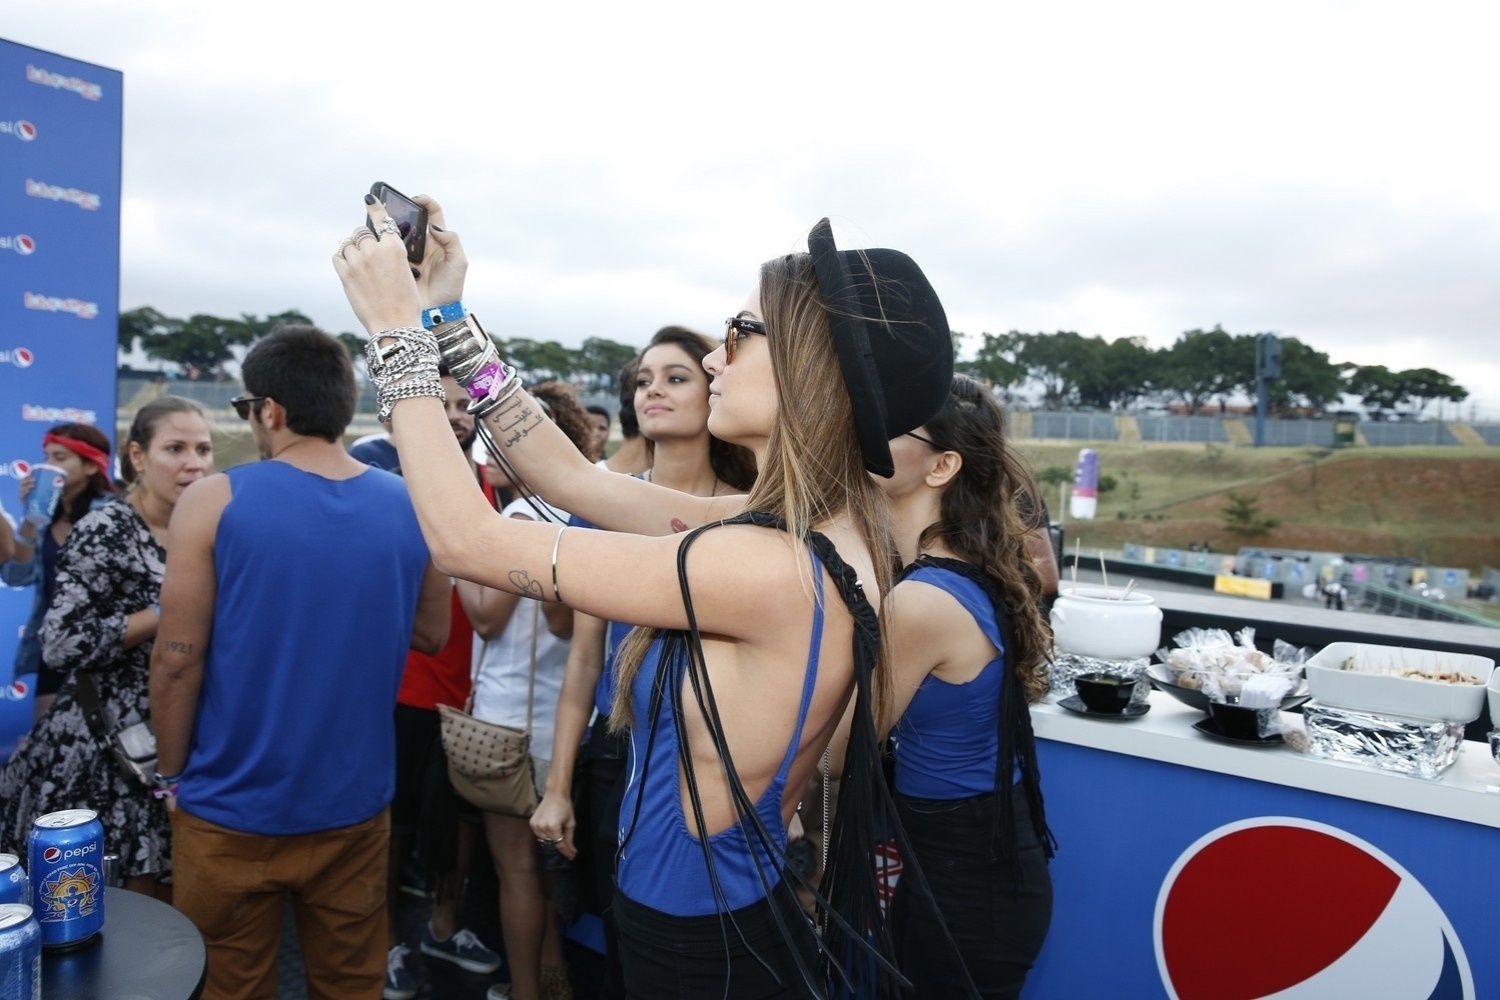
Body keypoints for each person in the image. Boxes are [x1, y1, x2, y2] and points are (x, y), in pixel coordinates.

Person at [335, 196, 953, 998]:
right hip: (725, 916)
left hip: (699, 947)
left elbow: (468, 543)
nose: (715, 360)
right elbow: (575, 480)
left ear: (812, 366)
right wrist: (448, 319)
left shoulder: (768, 566)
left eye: (739, 334)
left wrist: (394, 334)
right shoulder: (804, 531)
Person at [149, 326, 451, 1000]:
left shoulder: (214, 498)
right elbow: (432, 633)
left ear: (271, 410)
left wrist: (170, 779)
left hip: (229, 805)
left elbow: (175, 662)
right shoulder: (411, 503)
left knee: (229, 985)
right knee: (350, 985)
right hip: (354, 804)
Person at [530, 326, 756, 998]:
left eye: (676, 377)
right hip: (617, 753)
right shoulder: (601, 510)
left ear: (714, 391)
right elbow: (583, 662)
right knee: (622, 946)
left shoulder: (748, 516)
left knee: (705, 947)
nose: (653, 389)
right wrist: (557, 787)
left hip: (721, 757)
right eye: (643, 380)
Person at [879, 374, 1056, 999]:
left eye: (888, 427)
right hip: (967, 863)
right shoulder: (954, 570)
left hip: (966, 881)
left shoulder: (922, 601)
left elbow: (840, 747)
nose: (862, 434)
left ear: (942, 466)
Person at [0, 398, 213, 896]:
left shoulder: (212, 526)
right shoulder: (108, 528)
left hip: (182, 745)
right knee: (114, 914)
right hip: (107, 756)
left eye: (203, 450)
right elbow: (61, 644)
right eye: (175, 449)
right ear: (137, 457)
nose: (194, 464)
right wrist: (167, 611)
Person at [351, 367, 503, 1000]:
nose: (457, 415)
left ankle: (443, 928)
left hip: (470, 687)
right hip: (407, 684)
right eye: (442, 404)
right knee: (396, 826)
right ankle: (385, 943)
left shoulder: (487, 482)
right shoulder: (388, 484)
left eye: (465, 404)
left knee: (457, 822)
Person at [458, 380, 594, 1000]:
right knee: (544, 876)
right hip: (560, 726)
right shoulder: (578, 516)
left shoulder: (517, 519)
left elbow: (487, 619)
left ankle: (524, 992)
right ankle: (553, 977)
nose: (486, 452)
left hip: (507, 721)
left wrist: (459, 555)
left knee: (515, 874)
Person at [1, 424, 117, 720]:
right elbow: (16, 576)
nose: (50, 465)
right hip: (55, 644)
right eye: (47, 457)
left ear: (91, 466)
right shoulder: (45, 517)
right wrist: (30, 518)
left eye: (60, 458)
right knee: (47, 734)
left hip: (107, 643)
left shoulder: (114, 512)